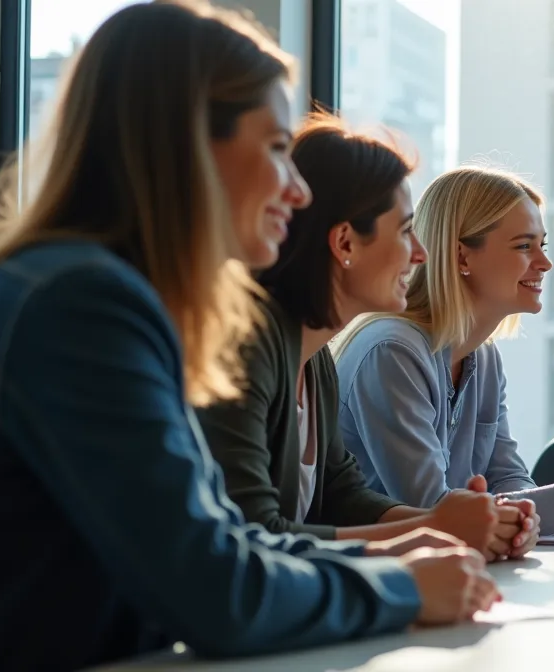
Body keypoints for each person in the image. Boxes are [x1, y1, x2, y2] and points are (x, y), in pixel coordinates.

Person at [0, 3, 493, 669]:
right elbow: (216, 589)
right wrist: (399, 584)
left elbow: (223, 543)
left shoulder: (85, 292)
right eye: (278, 149)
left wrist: (401, 554)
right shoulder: (83, 307)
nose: (299, 191)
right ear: (189, 143)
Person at [198, 115, 524, 560]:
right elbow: (253, 533)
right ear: (346, 244)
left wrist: (449, 524)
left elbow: (342, 496)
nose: (421, 254)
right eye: (406, 231)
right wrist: (433, 527)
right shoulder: (249, 348)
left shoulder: (314, 361)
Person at [333, 166, 554, 537]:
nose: (545, 263)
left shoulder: (484, 357)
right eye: (524, 246)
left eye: (542, 245)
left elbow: (506, 477)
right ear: (462, 258)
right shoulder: (392, 352)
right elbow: (431, 507)